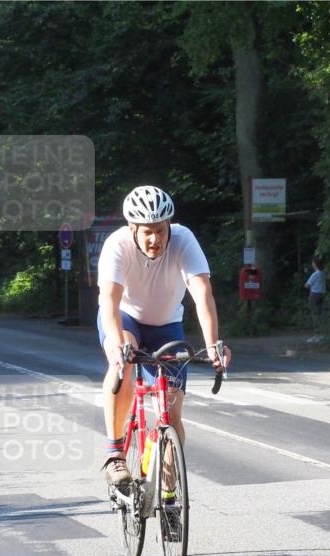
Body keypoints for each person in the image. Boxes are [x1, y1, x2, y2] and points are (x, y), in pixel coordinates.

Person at [98, 185, 231, 487]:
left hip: (166, 325)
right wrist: (118, 345)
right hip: (125, 317)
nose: (154, 239)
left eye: (160, 230)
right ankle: (116, 454)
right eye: (146, 232)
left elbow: (203, 294)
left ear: (169, 225)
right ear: (132, 228)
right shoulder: (116, 245)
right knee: (124, 363)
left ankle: (169, 494)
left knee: (170, 413)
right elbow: (109, 301)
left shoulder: (183, 240)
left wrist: (213, 345)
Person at [304, 256, 326, 343]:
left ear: (315, 264)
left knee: (314, 315)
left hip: (314, 295)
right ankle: (320, 334)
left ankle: (316, 335)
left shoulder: (315, 274)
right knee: (319, 314)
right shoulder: (323, 273)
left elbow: (307, 285)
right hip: (321, 294)